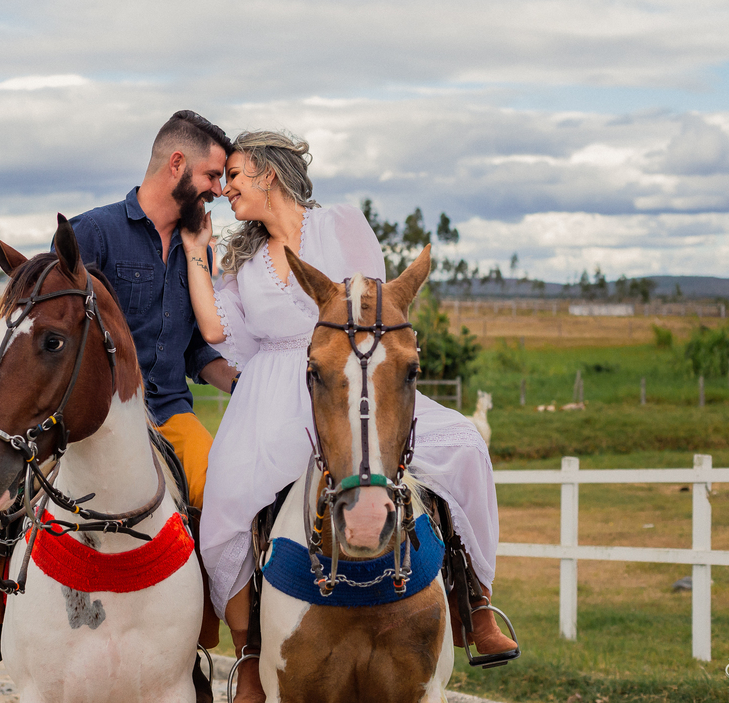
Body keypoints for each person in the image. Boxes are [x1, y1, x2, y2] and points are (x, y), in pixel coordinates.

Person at [181, 130, 516, 702]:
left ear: (268, 173)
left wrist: (352, 374)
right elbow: (218, 333)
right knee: (227, 501)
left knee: (463, 444)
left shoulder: (339, 223)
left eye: (234, 175)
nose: (227, 189)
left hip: (352, 374)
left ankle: (475, 605)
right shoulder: (241, 261)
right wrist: (197, 251)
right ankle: (250, 654)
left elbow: (371, 307)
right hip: (272, 388)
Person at [0, 111, 239, 676]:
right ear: (177, 164)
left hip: (168, 410)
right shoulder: (92, 233)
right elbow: (49, 325)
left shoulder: (197, 245)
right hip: (91, 415)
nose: (219, 189)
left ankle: (192, 646)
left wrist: (253, 386)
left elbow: (194, 350)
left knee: (223, 491)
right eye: (213, 176)